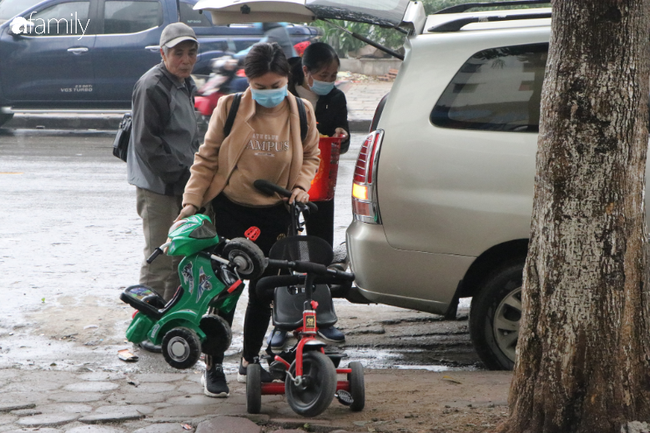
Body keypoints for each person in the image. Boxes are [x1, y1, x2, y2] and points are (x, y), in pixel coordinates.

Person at [176, 42, 320, 398]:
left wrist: (302, 185)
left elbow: (312, 156)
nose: (269, 93)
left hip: (276, 215)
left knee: (263, 291)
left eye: (276, 86)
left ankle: (250, 359)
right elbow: (206, 159)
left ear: (288, 79)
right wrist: (191, 203)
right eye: (261, 86)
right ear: (248, 80)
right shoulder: (231, 107)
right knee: (224, 291)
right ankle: (213, 364)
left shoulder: (302, 111)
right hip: (231, 211)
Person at [273, 41, 350, 346]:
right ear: (305, 71)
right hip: (284, 181)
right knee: (283, 252)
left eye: (333, 75)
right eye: (323, 74)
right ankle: (280, 321)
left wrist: (342, 136)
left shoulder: (336, 98)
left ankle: (322, 316)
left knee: (319, 249)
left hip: (320, 183)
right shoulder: (283, 92)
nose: (329, 80)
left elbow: (340, 134)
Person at [127, 23, 200, 312]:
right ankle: (143, 324)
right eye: (178, 53)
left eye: (191, 53)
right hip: (158, 186)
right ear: (163, 53)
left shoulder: (184, 82)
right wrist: (183, 178)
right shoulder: (153, 86)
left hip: (182, 182)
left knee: (179, 256)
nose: (186, 60)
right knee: (159, 258)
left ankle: (165, 320)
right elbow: (147, 144)